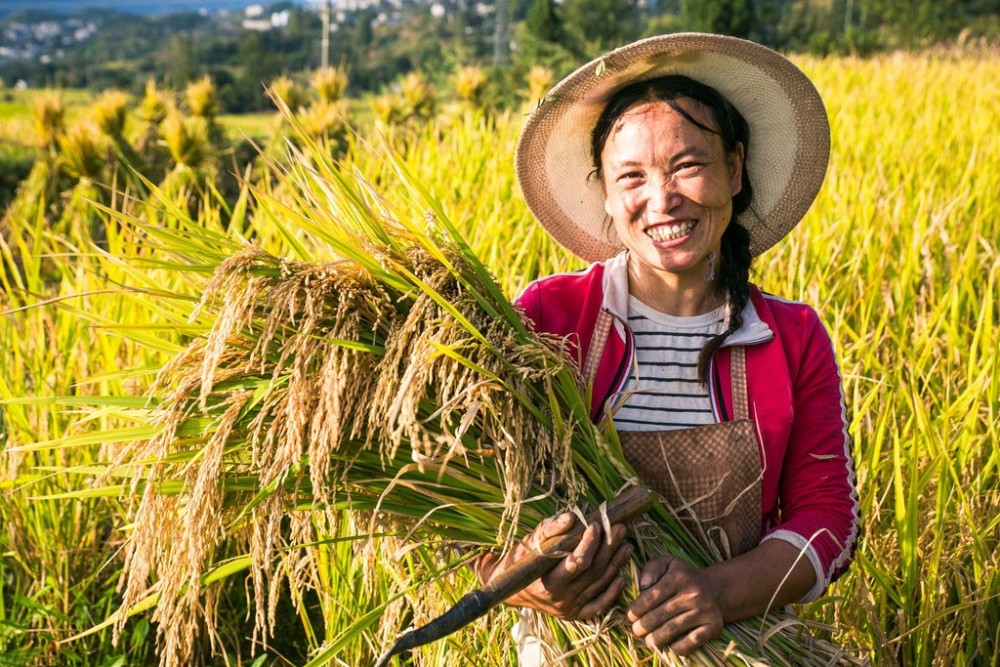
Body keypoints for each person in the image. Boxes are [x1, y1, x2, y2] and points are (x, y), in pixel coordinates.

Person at [473, 33, 860, 659]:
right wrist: (527, 585)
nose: (662, 199)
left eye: (688, 166)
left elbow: (827, 518)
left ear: (735, 169)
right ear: (605, 192)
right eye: (632, 176)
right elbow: (470, 495)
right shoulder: (550, 317)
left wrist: (718, 592)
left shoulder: (791, 338)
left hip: (740, 644)